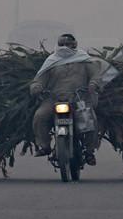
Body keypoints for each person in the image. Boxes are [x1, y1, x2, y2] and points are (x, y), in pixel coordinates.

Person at [30, 34, 102, 165]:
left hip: (79, 99)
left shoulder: (84, 60)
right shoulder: (51, 61)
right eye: (62, 45)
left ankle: (89, 150)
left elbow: (96, 75)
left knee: (91, 120)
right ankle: (44, 146)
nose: (65, 48)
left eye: (68, 45)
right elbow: (39, 79)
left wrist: (93, 84)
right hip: (54, 99)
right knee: (39, 116)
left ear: (74, 45)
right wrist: (36, 87)